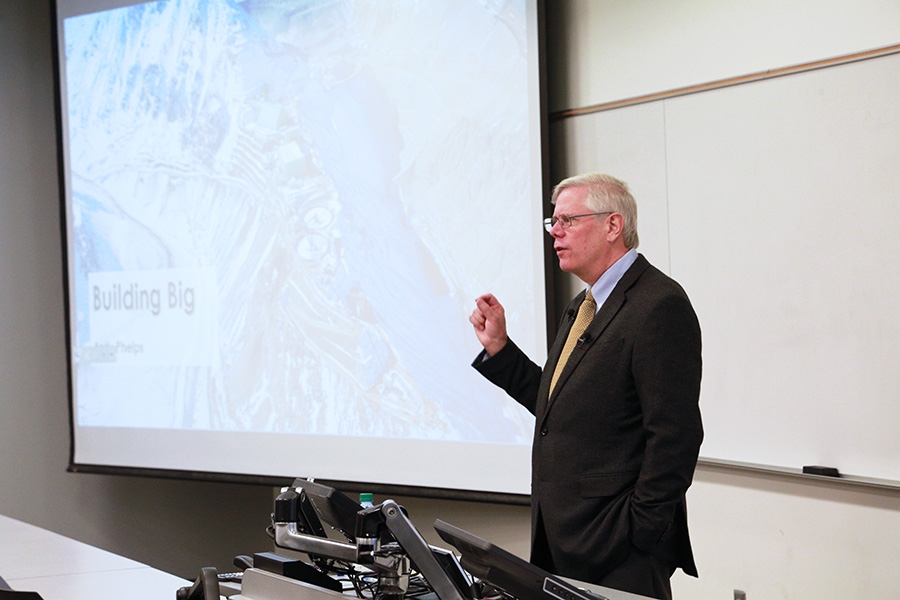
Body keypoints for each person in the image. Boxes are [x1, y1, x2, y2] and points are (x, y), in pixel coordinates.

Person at [469, 173, 703, 600]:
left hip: (618, 552)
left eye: (568, 221)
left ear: (613, 225)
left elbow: (676, 436)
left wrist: (637, 532)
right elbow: (558, 408)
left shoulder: (659, 305)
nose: (555, 232)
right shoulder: (584, 304)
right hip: (564, 541)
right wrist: (501, 351)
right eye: (552, 222)